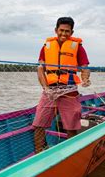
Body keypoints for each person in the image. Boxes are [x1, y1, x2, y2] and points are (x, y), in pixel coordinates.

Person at [32, 17, 91, 153]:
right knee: (38, 124)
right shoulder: (46, 46)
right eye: (61, 30)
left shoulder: (78, 48)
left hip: (69, 92)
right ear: (56, 30)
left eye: (67, 31)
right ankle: (38, 153)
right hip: (50, 91)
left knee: (70, 127)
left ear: (72, 32)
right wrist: (46, 88)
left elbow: (85, 68)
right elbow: (40, 69)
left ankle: (70, 153)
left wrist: (85, 79)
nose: (64, 34)